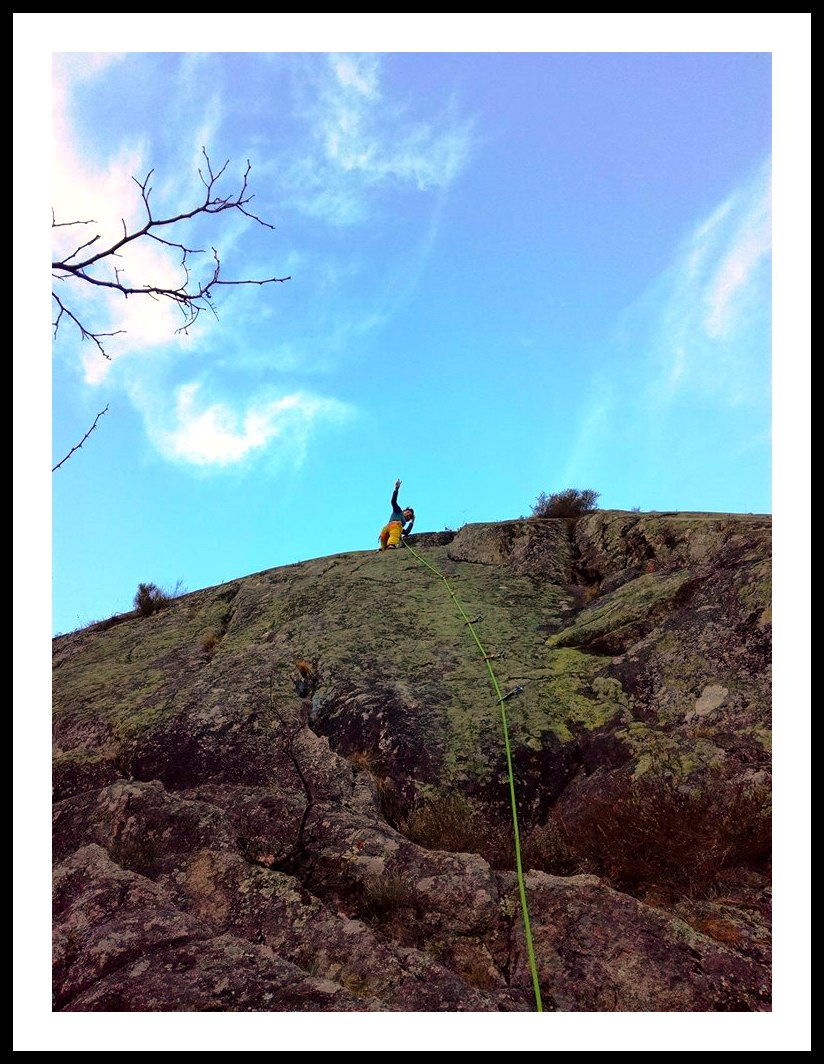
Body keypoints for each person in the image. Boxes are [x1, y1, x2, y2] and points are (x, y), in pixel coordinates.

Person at [379, 479, 415, 550]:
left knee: (393, 535)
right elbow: (393, 502)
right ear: (404, 510)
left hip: (392, 528)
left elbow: (406, 532)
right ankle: (387, 545)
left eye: (410, 516)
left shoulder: (401, 526)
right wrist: (396, 489)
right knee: (386, 536)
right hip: (391, 526)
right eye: (408, 512)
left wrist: (412, 522)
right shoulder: (398, 511)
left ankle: (387, 546)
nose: (408, 515)